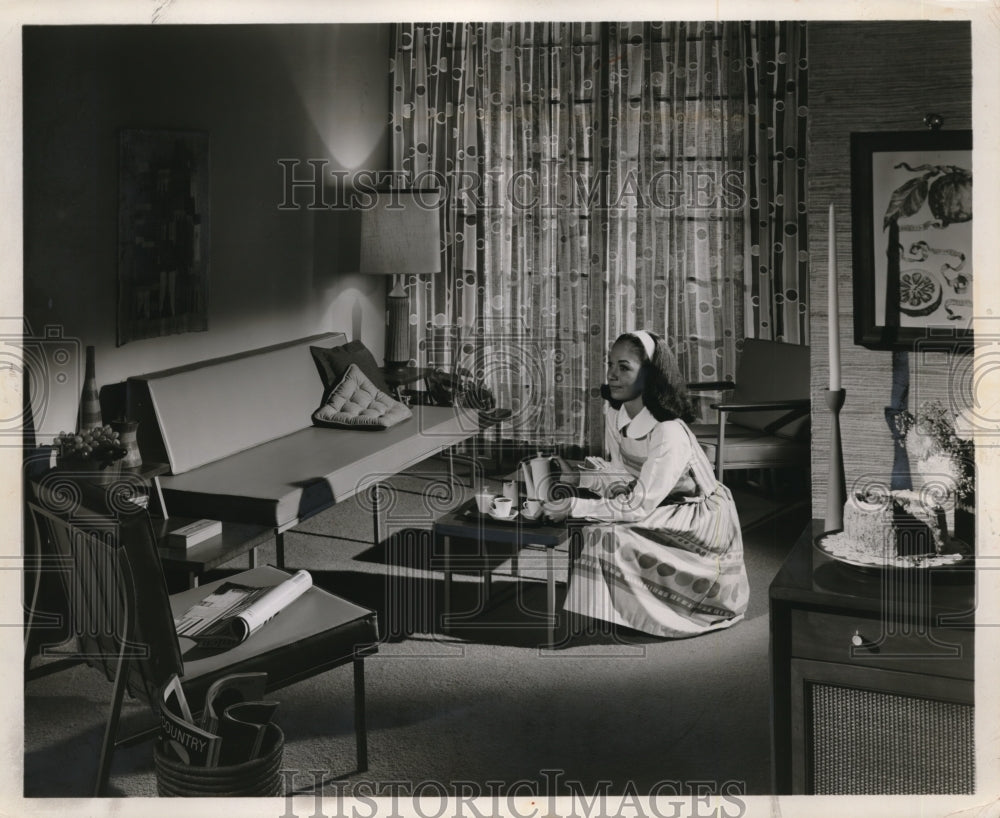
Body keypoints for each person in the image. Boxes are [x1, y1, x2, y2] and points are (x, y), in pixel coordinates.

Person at [542, 330, 749, 638]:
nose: (612, 374)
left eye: (623, 367)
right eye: (610, 364)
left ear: (650, 374)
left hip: (696, 518)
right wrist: (578, 478)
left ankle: (671, 608)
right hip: (655, 501)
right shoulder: (615, 412)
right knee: (597, 526)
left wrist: (575, 505)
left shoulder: (668, 431)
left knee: (603, 533)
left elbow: (638, 505)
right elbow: (619, 473)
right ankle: (606, 609)